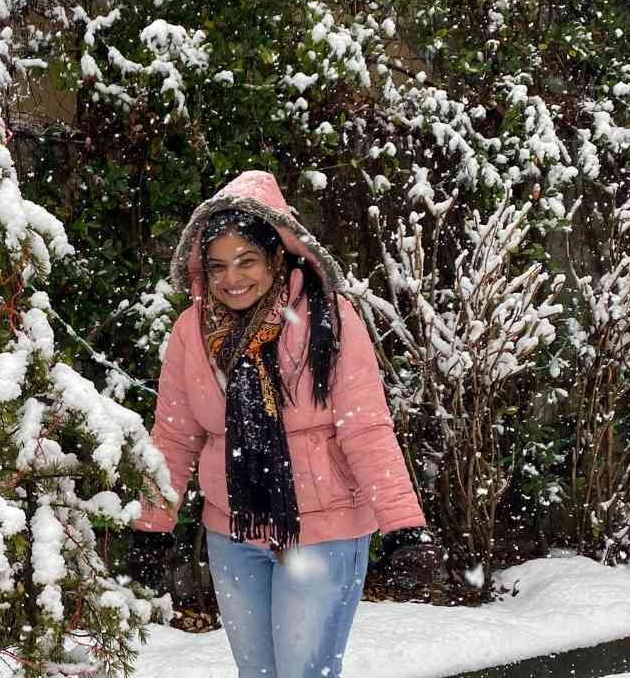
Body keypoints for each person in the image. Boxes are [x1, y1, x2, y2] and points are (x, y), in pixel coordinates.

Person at [133, 170, 436, 678]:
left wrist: (403, 526)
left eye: (246, 261)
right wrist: (152, 522)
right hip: (233, 531)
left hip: (324, 531)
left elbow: (365, 427)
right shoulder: (192, 330)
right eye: (218, 266)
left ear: (278, 257)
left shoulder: (329, 318)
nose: (232, 279)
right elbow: (174, 434)